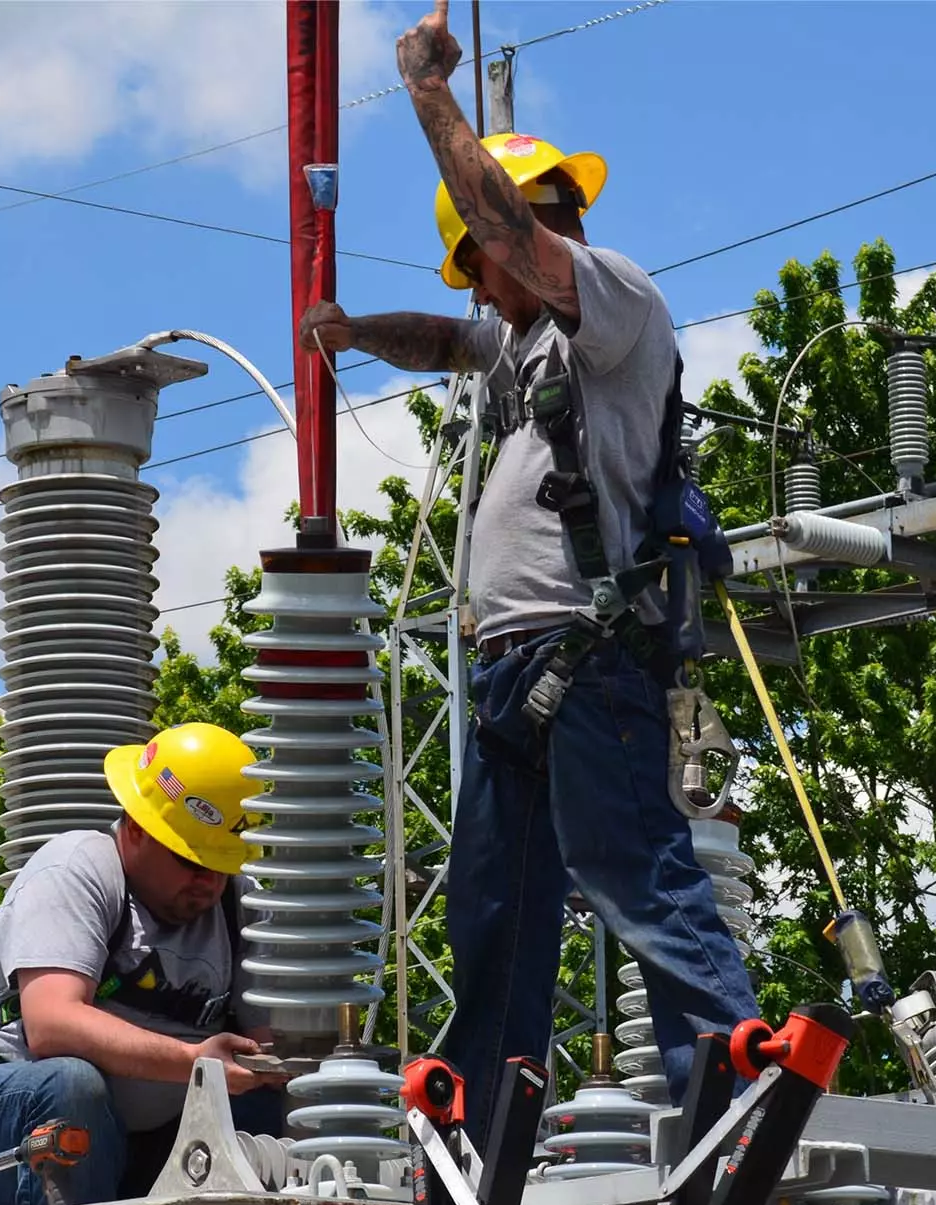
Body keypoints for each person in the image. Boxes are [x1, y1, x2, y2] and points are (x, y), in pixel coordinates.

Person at [297, 0, 759, 1130]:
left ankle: (730, 1098)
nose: (474, 288)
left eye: (481, 262)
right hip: (508, 671)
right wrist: (354, 335)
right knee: (492, 913)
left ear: (526, 229)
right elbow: (447, 338)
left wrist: (423, 90)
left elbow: (505, 245)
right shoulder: (509, 339)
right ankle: (484, 1136)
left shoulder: (611, 302)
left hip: (587, 650)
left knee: (632, 875)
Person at [0, 722, 285, 1205]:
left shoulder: (237, 906)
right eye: (191, 861)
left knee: (267, 1100)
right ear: (135, 828)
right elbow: (52, 1025)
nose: (208, 884)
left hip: (131, 1147)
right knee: (70, 1085)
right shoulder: (77, 869)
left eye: (223, 866)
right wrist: (198, 1059)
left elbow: (267, 1049)